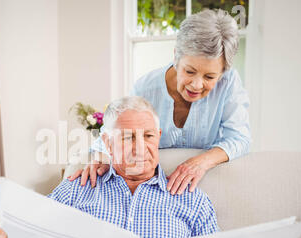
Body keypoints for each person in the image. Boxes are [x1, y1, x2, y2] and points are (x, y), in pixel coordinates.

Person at [0, 97, 296, 238]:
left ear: (159, 138)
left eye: (148, 136)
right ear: (106, 145)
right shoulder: (77, 187)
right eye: (126, 138)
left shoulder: (192, 200)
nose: (140, 147)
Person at [69, 9, 251, 196]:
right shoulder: (145, 88)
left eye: (210, 76)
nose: (197, 85)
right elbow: (115, 132)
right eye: (189, 71)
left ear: (222, 73)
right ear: (176, 57)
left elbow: (240, 138)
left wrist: (200, 162)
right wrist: (100, 158)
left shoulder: (229, 83)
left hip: (199, 183)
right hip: (151, 185)